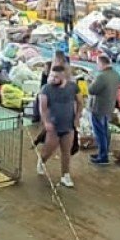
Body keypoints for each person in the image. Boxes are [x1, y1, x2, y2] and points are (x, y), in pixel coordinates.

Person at [36, 58, 79, 189]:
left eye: (55, 77)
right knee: (48, 150)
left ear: (63, 77)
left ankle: (65, 176)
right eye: (51, 76)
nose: (52, 79)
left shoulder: (73, 87)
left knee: (66, 152)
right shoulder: (46, 89)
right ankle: (41, 161)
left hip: (68, 126)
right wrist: (46, 122)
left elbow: (81, 103)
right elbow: (42, 108)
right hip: (54, 126)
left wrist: (77, 118)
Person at [88, 60, 120, 166]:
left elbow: (92, 90)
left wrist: (90, 81)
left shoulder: (101, 76)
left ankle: (103, 157)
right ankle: (102, 153)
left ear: (102, 64)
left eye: (98, 64)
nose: (97, 66)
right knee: (105, 131)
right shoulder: (116, 75)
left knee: (99, 132)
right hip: (109, 108)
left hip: (99, 108)